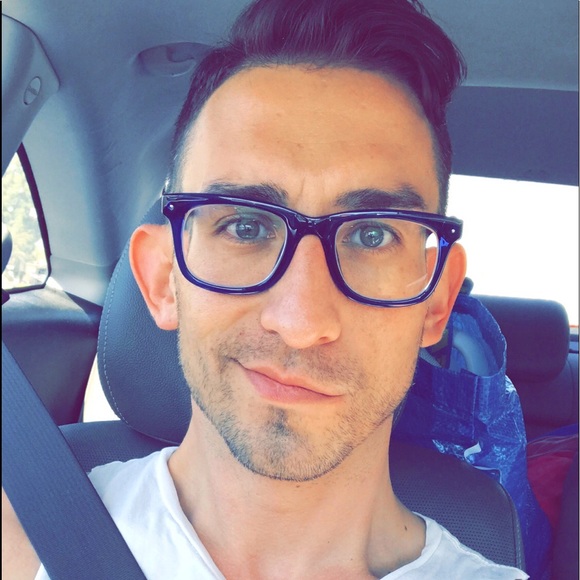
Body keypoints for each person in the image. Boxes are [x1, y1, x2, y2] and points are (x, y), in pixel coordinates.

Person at [5, 0, 529, 578]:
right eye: (245, 227)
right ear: (162, 279)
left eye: (372, 236)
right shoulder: (21, 541)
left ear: (436, 300)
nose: (301, 322)